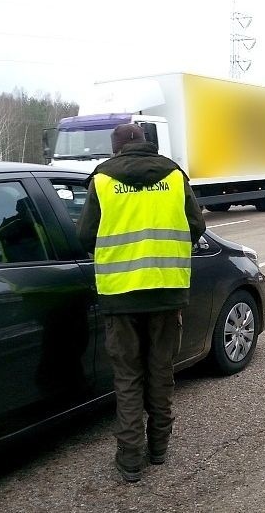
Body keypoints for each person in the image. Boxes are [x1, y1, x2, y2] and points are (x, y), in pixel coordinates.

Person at [77, 123, 206, 483]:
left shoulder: (101, 180)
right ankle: (160, 447)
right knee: (161, 371)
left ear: (116, 148)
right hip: (166, 291)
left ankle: (130, 459)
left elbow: (86, 235)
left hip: (120, 295)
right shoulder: (175, 176)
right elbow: (196, 227)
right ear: (146, 144)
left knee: (128, 376)